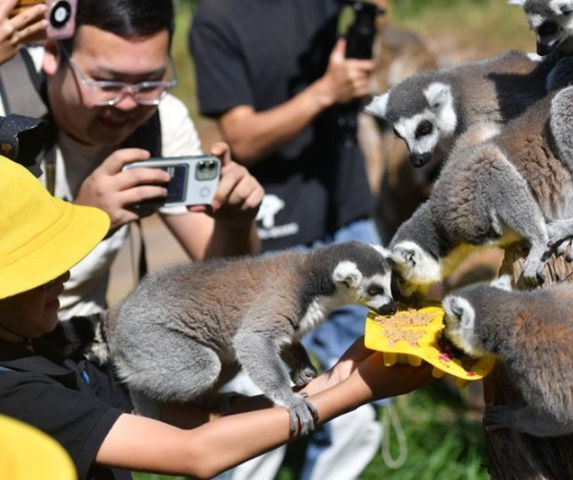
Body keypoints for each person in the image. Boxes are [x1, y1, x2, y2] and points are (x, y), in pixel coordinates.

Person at [0, 156, 431, 480]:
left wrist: (332, 385)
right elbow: (195, 453)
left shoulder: (43, 346)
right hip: (163, 333)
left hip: (158, 338)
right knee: (218, 359)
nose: (68, 275)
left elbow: (183, 422)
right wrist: (352, 391)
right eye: (43, 270)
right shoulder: (18, 392)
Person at [190, 1, 385, 478]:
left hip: (348, 217)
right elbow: (241, 137)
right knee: (265, 416)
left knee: (366, 391)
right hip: (273, 236)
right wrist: (326, 91)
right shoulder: (217, 18)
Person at [0, 0, 264, 319]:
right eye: (107, 82)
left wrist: (236, 223)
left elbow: (228, 278)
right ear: (54, 54)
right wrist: (83, 222)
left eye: (150, 82)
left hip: (80, 342)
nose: (127, 103)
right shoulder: (5, 104)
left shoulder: (161, 120)